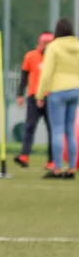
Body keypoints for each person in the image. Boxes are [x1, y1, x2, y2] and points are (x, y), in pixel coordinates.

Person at [34, 19, 79, 179]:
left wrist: (40, 95)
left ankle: (57, 168)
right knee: (70, 131)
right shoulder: (77, 45)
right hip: (75, 89)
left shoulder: (54, 47)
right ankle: (72, 168)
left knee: (57, 130)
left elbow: (46, 73)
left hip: (58, 90)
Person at [16, 32, 54, 168]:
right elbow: (24, 76)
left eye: (49, 44)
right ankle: (24, 155)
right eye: (44, 43)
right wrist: (20, 94)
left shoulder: (55, 58)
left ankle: (51, 160)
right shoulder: (30, 56)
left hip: (51, 97)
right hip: (33, 96)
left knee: (52, 129)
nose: (46, 46)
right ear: (39, 43)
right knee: (29, 126)